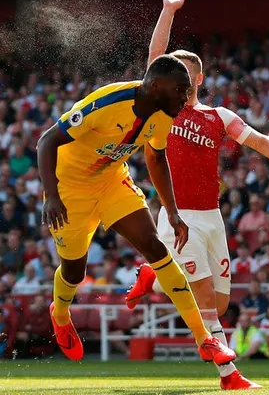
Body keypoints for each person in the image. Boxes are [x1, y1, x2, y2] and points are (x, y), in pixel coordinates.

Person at [125, 0, 269, 390]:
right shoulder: (163, 109)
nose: (182, 79)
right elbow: (155, 57)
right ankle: (229, 375)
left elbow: (259, 140)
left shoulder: (219, 116)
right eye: (175, 73)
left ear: (200, 79)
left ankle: (154, 275)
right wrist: (168, 11)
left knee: (220, 303)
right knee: (206, 301)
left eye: (189, 74)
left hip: (213, 217)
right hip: (182, 215)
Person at [36, 52, 235, 365]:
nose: (185, 100)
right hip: (69, 191)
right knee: (74, 272)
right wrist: (51, 196)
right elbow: (47, 141)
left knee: (155, 247)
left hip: (112, 182)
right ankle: (60, 314)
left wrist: (171, 210)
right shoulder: (106, 103)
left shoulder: (164, 111)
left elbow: (156, 158)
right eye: (180, 92)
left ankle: (205, 339)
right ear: (155, 87)